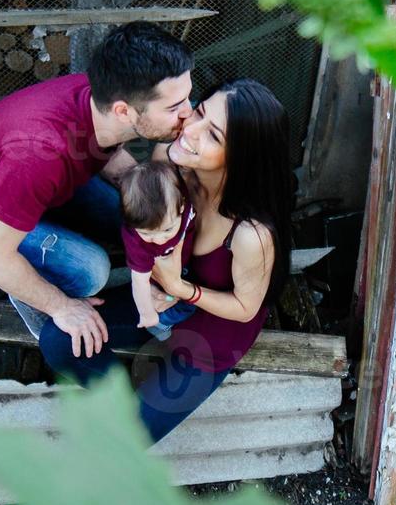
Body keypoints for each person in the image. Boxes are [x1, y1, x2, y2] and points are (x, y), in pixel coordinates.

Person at [37, 78, 293, 443]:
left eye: (214, 136)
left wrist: (179, 288)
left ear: (241, 158)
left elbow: (245, 308)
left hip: (212, 333)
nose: (190, 131)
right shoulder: (172, 167)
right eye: (200, 113)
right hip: (157, 299)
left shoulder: (252, 233)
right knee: (61, 339)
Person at [0, 22, 193, 347]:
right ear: (124, 110)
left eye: (187, 98)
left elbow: (104, 150)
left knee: (145, 211)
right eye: (174, 107)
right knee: (91, 271)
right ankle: (30, 297)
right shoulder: (38, 156)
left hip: (38, 187)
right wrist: (61, 306)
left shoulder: (99, 101)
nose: (188, 113)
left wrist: (153, 194)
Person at [118, 161, 198, 340]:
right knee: (187, 305)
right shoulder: (139, 245)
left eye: (167, 229)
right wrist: (147, 314)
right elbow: (139, 282)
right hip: (156, 273)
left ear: (183, 206)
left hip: (183, 261)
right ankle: (159, 324)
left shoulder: (179, 199)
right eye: (147, 233)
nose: (160, 239)